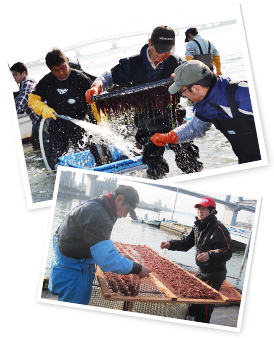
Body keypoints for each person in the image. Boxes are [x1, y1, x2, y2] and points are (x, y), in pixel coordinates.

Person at [85, 25, 203, 179]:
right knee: (155, 168)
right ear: (150, 43)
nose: (163, 54)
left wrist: (184, 81)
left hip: (175, 119)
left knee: (188, 159)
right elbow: (109, 76)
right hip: (146, 124)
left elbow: (198, 84)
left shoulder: (178, 63)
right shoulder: (131, 64)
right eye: (159, 49)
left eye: (168, 50)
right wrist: (96, 86)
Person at [48, 185, 152, 305]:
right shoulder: (98, 215)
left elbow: (93, 239)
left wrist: (119, 254)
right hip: (73, 272)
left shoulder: (98, 205)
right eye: (127, 211)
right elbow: (106, 260)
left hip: (66, 264)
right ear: (119, 199)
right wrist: (137, 268)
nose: (124, 216)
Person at [150, 60, 261, 164]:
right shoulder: (204, 105)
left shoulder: (245, 95)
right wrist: (169, 137)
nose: (183, 95)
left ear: (196, 89)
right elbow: (196, 128)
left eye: (182, 91)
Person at [160, 197, 233, 323]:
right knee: (193, 304)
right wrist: (170, 244)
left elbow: (227, 250)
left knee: (203, 308)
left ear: (212, 211)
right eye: (199, 208)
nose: (200, 211)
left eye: (204, 209)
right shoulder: (197, 226)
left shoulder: (219, 228)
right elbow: (186, 243)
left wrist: (210, 254)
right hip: (202, 271)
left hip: (214, 274)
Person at [28, 48, 94, 170]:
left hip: (81, 124)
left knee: (90, 157)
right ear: (51, 70)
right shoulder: (46, 81)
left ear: (67, 62)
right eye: (56, 70)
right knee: (53, 160)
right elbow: (32, 99)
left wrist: (99, 122)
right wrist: (43, 109)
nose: (61, 73)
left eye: (63, 67)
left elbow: (95, 103)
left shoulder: (81, 78)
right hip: (59, 125)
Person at [10, 62, 41, 149]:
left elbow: (23, 99)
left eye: (15, 75)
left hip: (42, 120)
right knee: (36, 146)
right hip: (36, 121)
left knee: (44, 146)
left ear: (23, 73)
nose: (14, 78)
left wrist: (12, 114)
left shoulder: (27, 83)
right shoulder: (24, 84)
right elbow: (23, 107)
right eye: (13, 75)